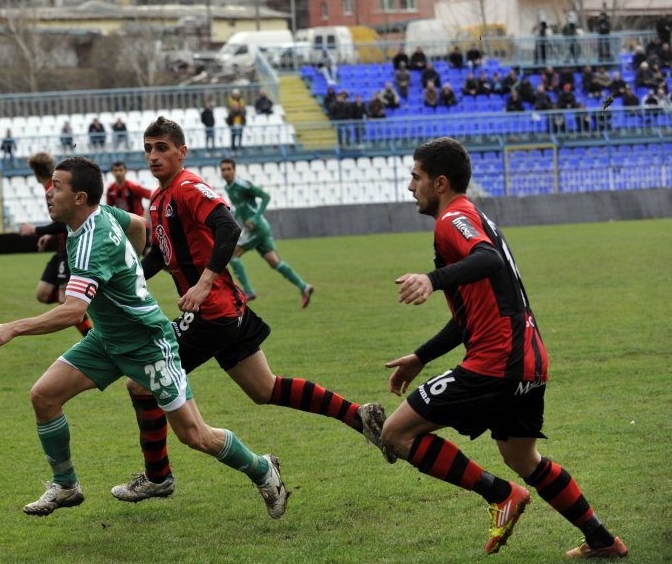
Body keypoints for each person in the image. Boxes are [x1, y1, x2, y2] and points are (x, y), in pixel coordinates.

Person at [0, 155, 289, 520]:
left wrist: (11, 327)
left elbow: (72, 312)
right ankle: (65, 486)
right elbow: (139, 224)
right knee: (44, 396)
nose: (49, 192)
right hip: (107, 340)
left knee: (195, 435)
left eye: (57, 186)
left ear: (79, 197)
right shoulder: (103, 213)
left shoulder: (93, 243)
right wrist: (133, 269)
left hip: (147, 344)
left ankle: (262, 469)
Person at [109, 116, 390, 504]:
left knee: (141, 382)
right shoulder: (158, 200)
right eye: (148, 148)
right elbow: (159, 254)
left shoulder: (188, 187)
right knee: (265, 388)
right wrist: (125, 282)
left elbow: (229, 228)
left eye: (162, 148)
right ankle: (359, 415)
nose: (153, 156)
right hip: (227, 311)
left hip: (212, 312)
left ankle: (158, 477)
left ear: (182, 151)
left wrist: (203, 283)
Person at [378, 136, 628, 558]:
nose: (409, 186)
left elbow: (489, 258)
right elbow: (471, 314)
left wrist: (431, 279)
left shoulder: (453, 219)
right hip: (529, 361)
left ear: (440, 183)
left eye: (415, 177)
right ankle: (602, 540)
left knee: (396, 433)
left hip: (497, 363)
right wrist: (422, 356)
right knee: (523, 457)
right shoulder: (471, 216)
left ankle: (501, 496)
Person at [220, 157, 315, 307]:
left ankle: (249, 291)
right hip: (255, 229)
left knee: (232, 255)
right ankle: (304, 287)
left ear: (234, 170)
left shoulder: (242, 185)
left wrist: (256, 218)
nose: (225, 172)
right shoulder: (228, 188)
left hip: (257, 228)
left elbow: (265, 196)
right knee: (275, 262)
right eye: (223, 169)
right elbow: (240, 208)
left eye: (228, 169)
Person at [18, 152, 93, 337]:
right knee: (43, 294)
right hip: (61, 249)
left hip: (69, 250)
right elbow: (64, 222)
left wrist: (36, 230)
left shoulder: (54, 189)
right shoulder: (52, 188)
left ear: (35, 173)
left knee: (64, 299)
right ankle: (85, 300)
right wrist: (50, 236)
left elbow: (64, 221)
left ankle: (93, 338)